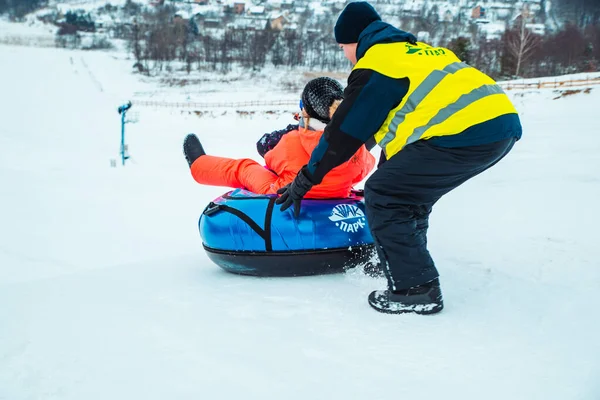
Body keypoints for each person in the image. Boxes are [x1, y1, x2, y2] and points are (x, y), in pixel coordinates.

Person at [276, 2, 523, 315]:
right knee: (403, 192)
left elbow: (342, 134)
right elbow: (397, 138)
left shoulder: (378, 64)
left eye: (344, 48)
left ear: (354, 40)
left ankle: (416, 289)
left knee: (386, 193)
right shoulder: (418, 51)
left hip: (465, 132)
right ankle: (400, 266)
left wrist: (306, 178)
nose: (346, 55)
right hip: (498, 126)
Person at [183, 77, 375, 198]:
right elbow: (363, 169)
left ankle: (199, 165)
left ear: (306, 111)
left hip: (286, 192)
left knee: (244, 168)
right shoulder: (355, 144)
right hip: (336, 193)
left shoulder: (291, 140)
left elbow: (270, 158)